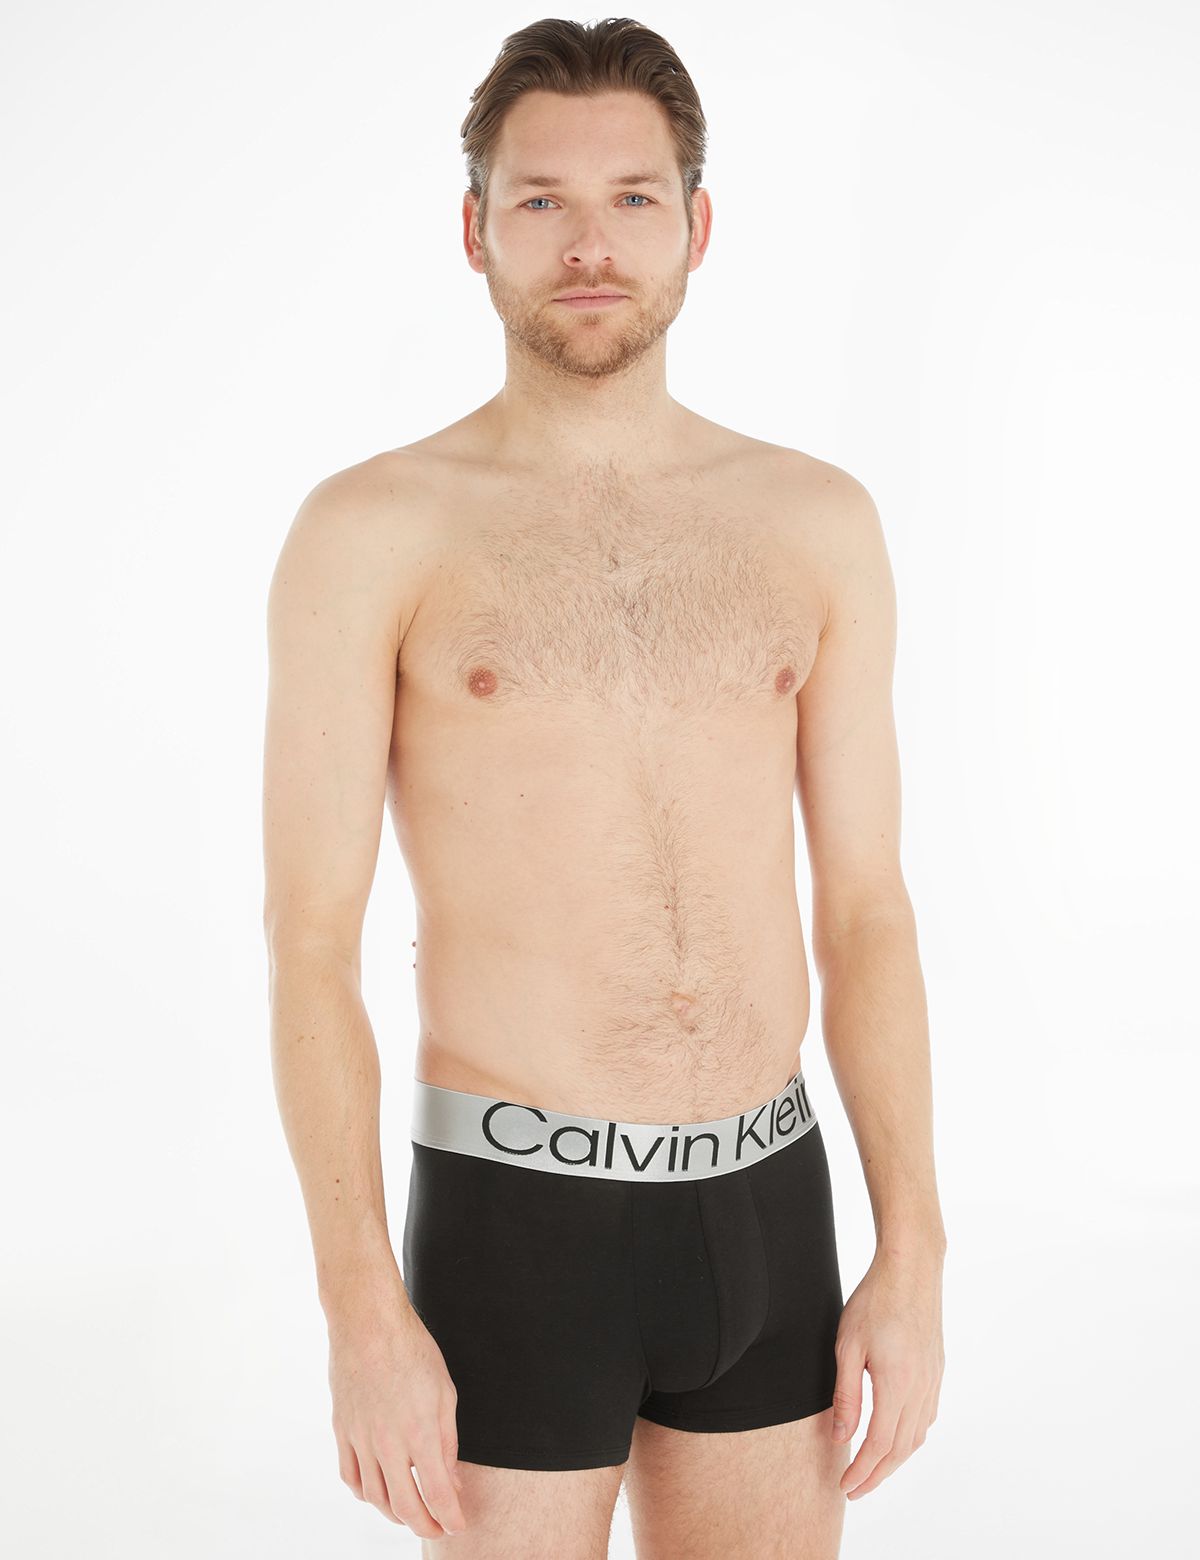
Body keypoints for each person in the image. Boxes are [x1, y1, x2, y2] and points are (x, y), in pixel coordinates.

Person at [262, 17, 946, 1557]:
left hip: (767, 1201)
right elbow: (309, 939)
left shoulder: (817, 521)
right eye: (541, 200)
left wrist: (915, 1250)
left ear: (698, 226)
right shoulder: (372, 531)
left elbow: (868, 909)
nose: (590, 245)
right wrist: (361, 1306)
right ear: (475, 229)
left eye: (633, 198)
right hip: (515, 1222)